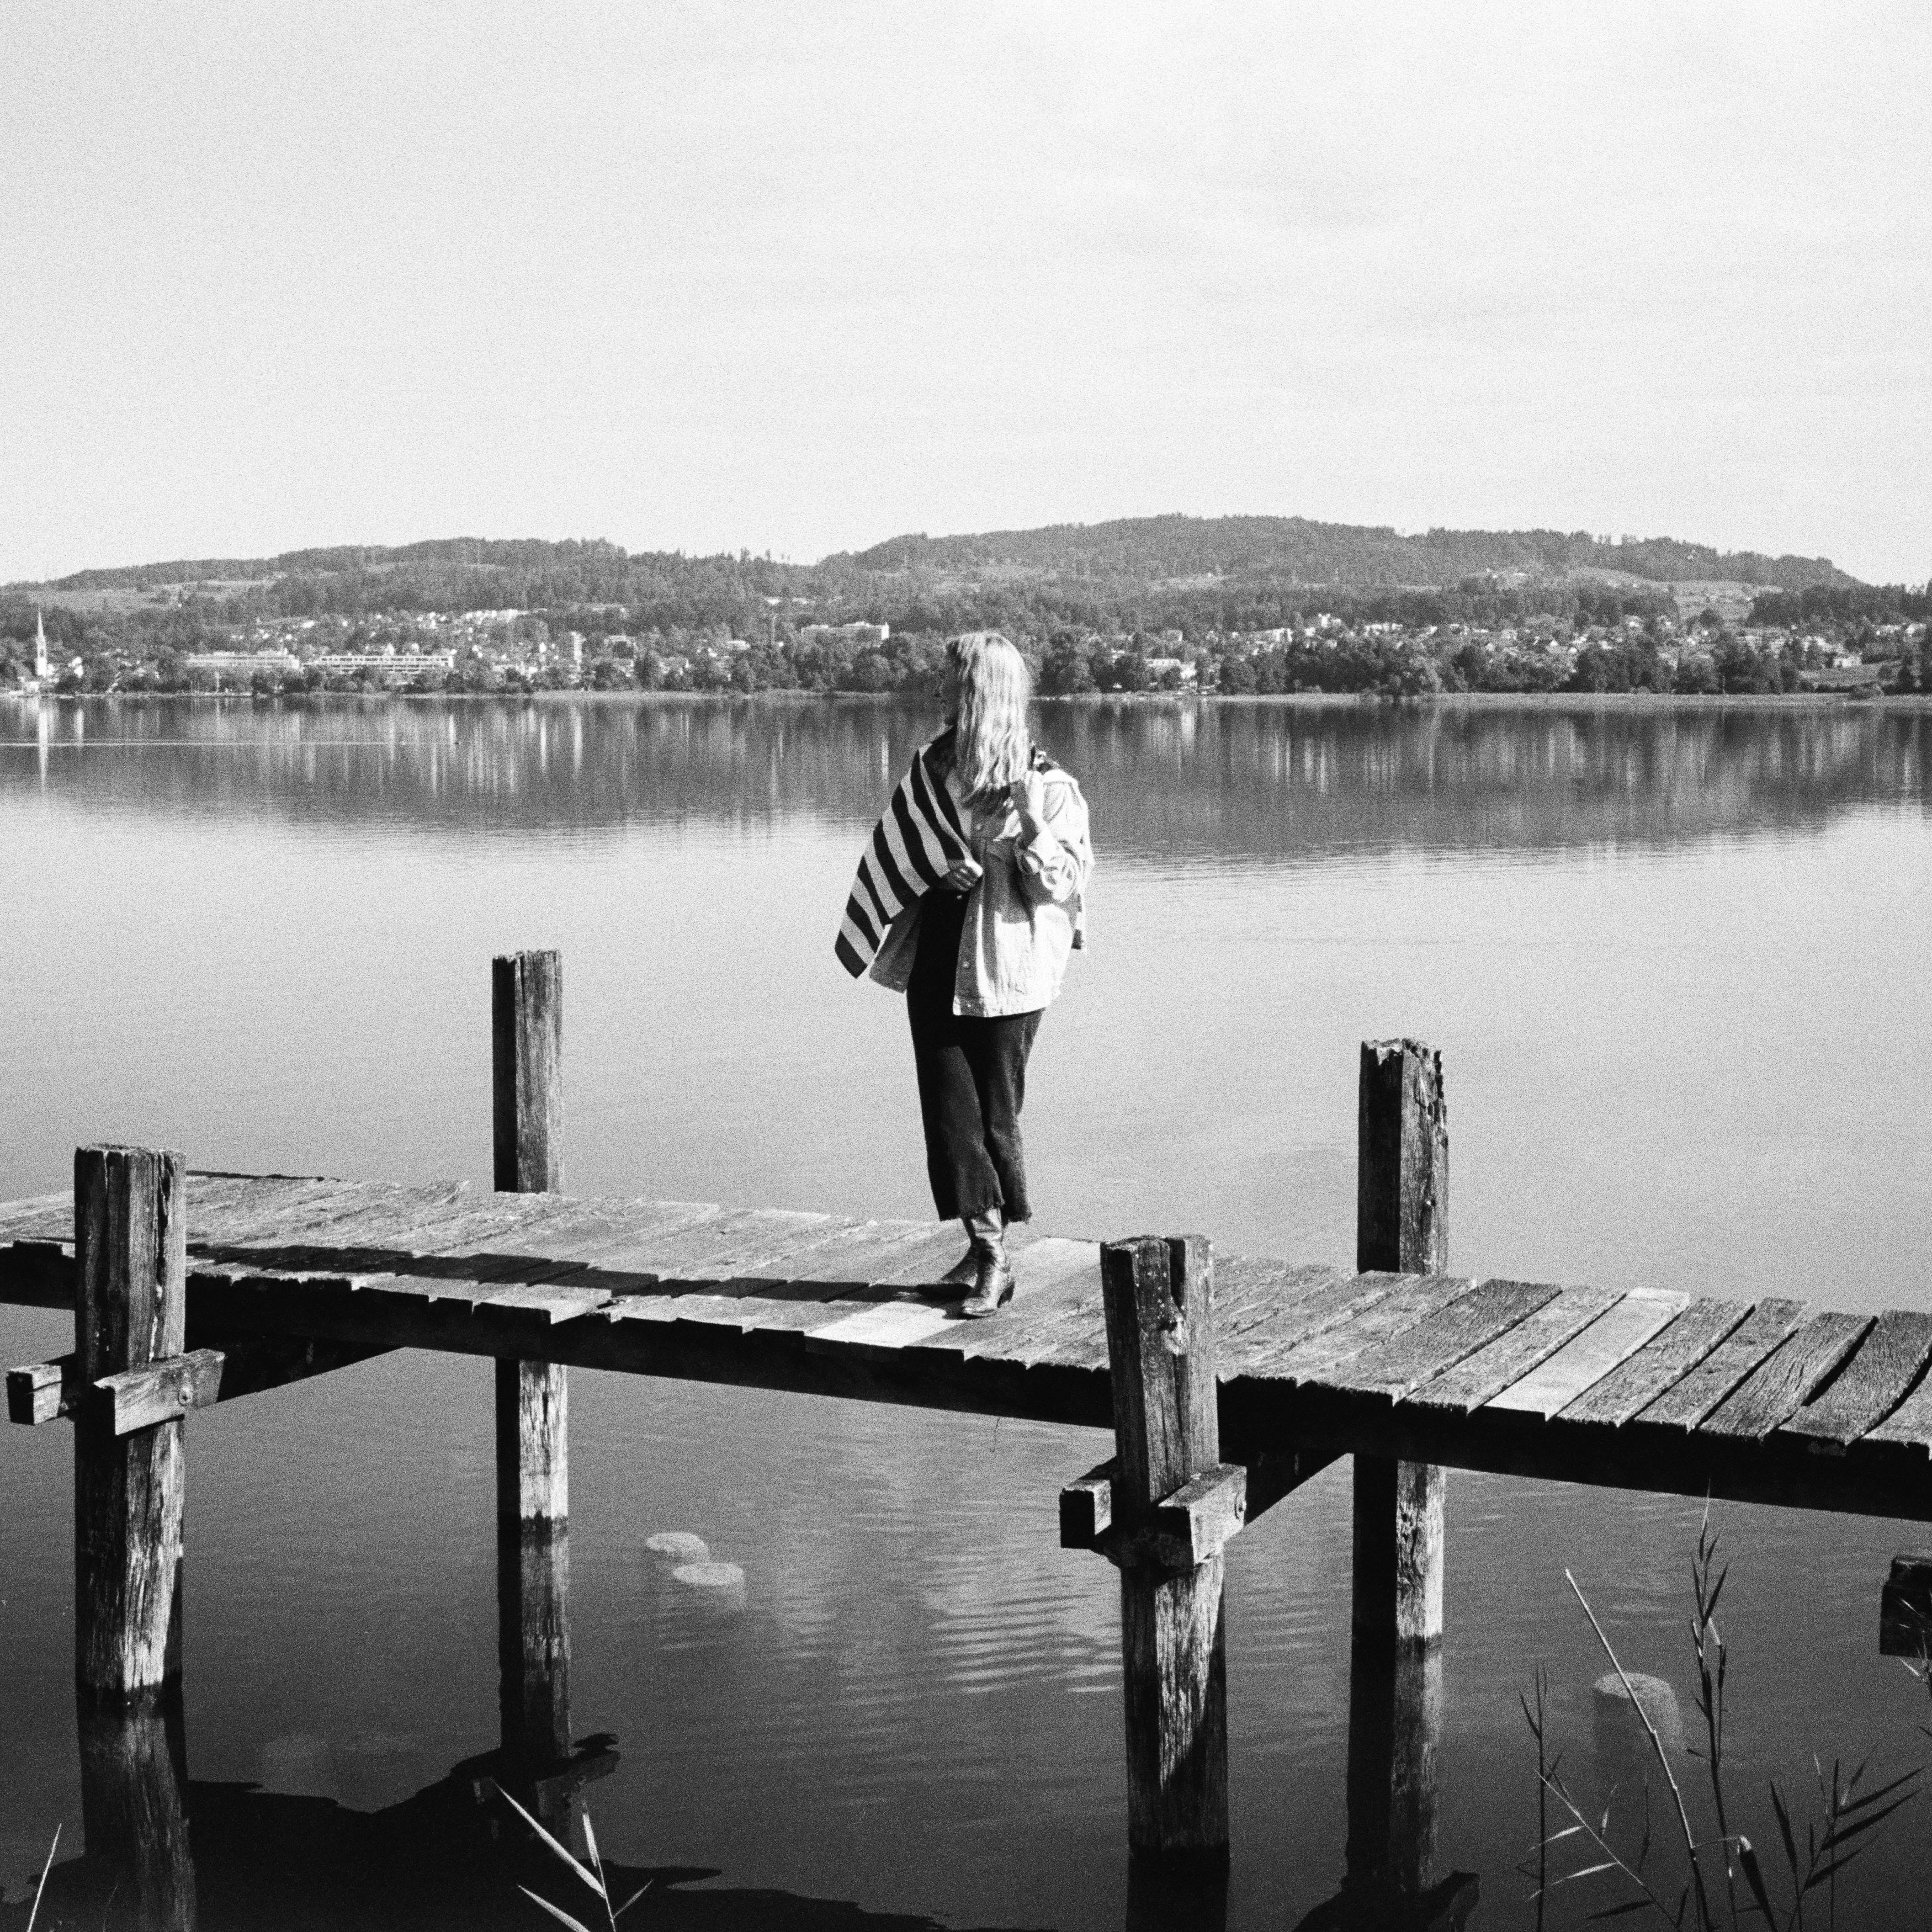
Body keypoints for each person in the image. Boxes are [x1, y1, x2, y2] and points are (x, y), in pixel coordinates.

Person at [833, 633, 1092, 1316]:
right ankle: (985, 1250)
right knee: (950, 1115)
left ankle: (995, 1257)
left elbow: (1061, 889)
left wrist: (1033, 828)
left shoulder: (1049, 787)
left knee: (994, 1115)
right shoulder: (931, 769)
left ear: (980, 692)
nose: (938, 693)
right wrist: (933, 871)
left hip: (1009, 970)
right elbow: (900, 848)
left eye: (950, 683)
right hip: (938, 955)